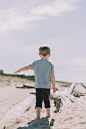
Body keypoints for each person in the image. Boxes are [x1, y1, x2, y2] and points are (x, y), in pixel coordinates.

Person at [14, 46, 56, 120]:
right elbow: (52, 76)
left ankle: (38, 116)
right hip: (47, 86)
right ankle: (48, 114)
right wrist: (54, 86)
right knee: (47, 100)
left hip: (38, 86)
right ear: (49, 55)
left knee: (38, 100)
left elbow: (28, 67)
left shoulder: (36, 63)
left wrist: (20, 70)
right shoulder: (50, 64)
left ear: (39, 54)